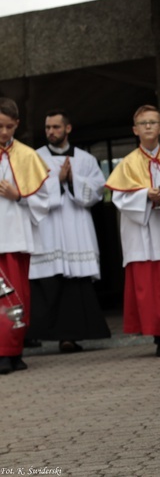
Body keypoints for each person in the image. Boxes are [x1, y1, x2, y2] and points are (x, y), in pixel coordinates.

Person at [105, 105, 160, 357]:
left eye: (153, 122)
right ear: (135, 130)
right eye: (143, 123)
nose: (148, 127)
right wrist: (146, 195)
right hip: (143, 235)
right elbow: (119, 198)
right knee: (150, 286)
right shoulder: (127, 164)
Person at [27, 109, 110, 353]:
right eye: (47, 128)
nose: (50, 132)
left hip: (76, 227)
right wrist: (57, 181)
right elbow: (30, 190)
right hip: (48, 228)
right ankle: (36, 335)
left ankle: (70, 337)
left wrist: (73, 180)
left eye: (55, 127)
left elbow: (98, 190)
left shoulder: (85, 159)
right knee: (47, 282)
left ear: (68, 129)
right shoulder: (35, 158)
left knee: (76, 283)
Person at [0, 97, 51, 374]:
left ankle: (14, 351)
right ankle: (3, 352)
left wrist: (18, 196)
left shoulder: (28, 155)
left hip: (17, 237)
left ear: (17, 124)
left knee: (17, 297)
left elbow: (43, 199)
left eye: (9, 126)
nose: (4, 132)